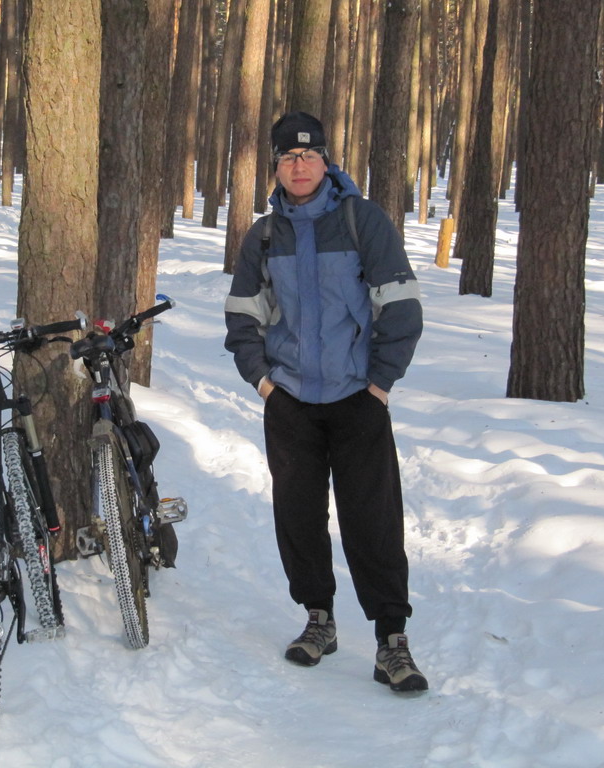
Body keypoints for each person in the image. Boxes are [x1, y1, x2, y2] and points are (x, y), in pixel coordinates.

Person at [224, 111, 427, 693]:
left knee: (373, 519)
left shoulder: (362, 221)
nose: (300, 166)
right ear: (276, 166)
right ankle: (318, 618)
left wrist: (380, 384)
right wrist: (265, 383)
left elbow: (402, 306)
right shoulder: (265, 236)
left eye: (309, 155)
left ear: (327, 161)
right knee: (299, 516)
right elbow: (242, 317)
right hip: (291, 402)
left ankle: (392, 639)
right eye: (289, 157)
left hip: (358, 399)